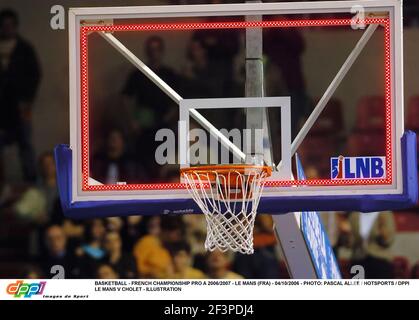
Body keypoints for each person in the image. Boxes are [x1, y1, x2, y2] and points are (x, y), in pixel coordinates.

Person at [0, 9, 40, 181]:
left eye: (10, 25)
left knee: (25, 143)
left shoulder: (25, 49)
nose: (7, 28)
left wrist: (27, 100)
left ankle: (31, 182)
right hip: (1, 105)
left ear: (15, 26)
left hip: (20, 105)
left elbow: (35, 74)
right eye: (4, 25)